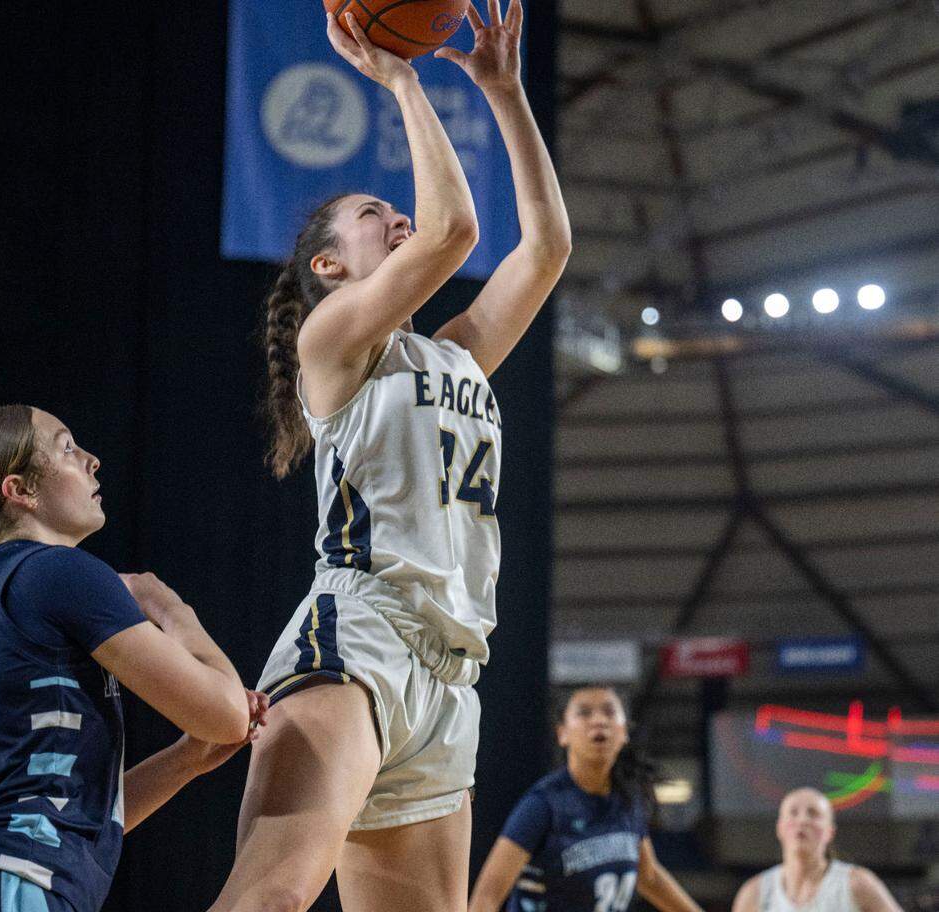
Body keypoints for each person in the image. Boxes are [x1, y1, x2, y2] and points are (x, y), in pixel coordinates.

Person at [210, 3, 571, 911]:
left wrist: (504, 93)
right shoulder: (331, 345)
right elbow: (457, 232)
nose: (400, 214)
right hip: (359, 639)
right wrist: (404, 81)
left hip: (452, 672)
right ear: (330, 268)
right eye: (375, 214)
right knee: (273, 898)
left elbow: (549, 247)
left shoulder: (453, 353)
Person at [0, 405, 266, 912]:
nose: (92, 460)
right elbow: (228, 714)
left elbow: (60, 811)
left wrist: (183, 762)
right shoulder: (56, 573)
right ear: (20, 491)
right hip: (10, 881)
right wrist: (167, 605)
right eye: (67, 447)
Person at [469, 686, 704, 912]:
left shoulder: (628, 801)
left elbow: (650, 878)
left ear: (624, 733)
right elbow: (486, 898)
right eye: (584, 713)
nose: (599, 720)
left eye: (610, 712)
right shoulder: (543, 804)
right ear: (562, 733)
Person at [732, 787, 904, 912]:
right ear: (780, 828)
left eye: (813, 813)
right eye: (793, 813)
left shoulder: (857, 884)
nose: (802, 821)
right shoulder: (755, 892)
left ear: (829, 832)